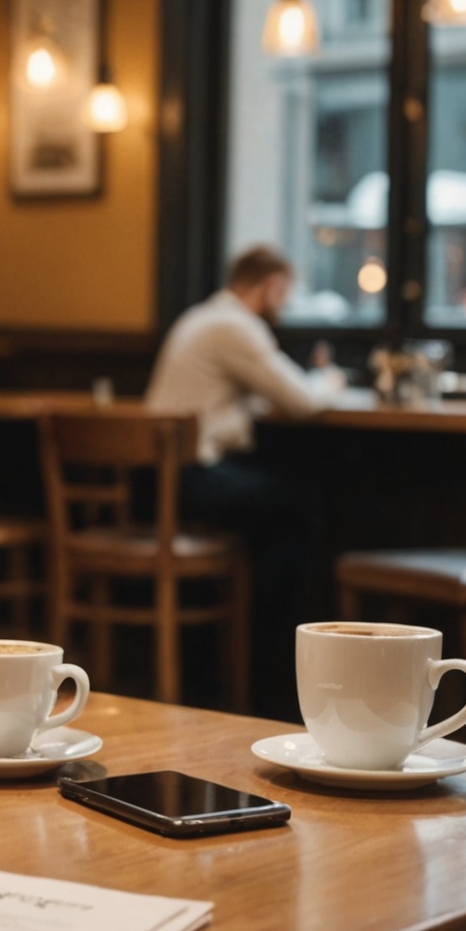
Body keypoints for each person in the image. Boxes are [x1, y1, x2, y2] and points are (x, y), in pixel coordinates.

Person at [145, 245, 335, 714]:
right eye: (283, 291)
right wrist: (331, 379)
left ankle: (253, 669)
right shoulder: (235, 326)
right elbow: (302, 401)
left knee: (285, 508)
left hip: (159, 480)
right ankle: (272, 675)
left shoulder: (200, 318)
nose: (284, 303)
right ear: (270, 284)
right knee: (304, 509)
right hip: (193, 479)